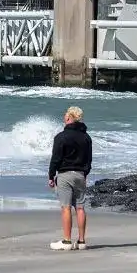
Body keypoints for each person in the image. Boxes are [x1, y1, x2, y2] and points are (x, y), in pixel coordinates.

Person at [48, 105, 93, 251]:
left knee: (65, 207)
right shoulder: (86, 137)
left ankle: (67, 241)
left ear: (69, 117)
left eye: (65, 114)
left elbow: (56, 158)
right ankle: (81, 241)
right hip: (80, 174)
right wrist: (84, 174)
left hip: (65, 174)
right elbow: (88, 159)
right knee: (80, 207)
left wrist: (51, 175)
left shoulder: (61, 137)